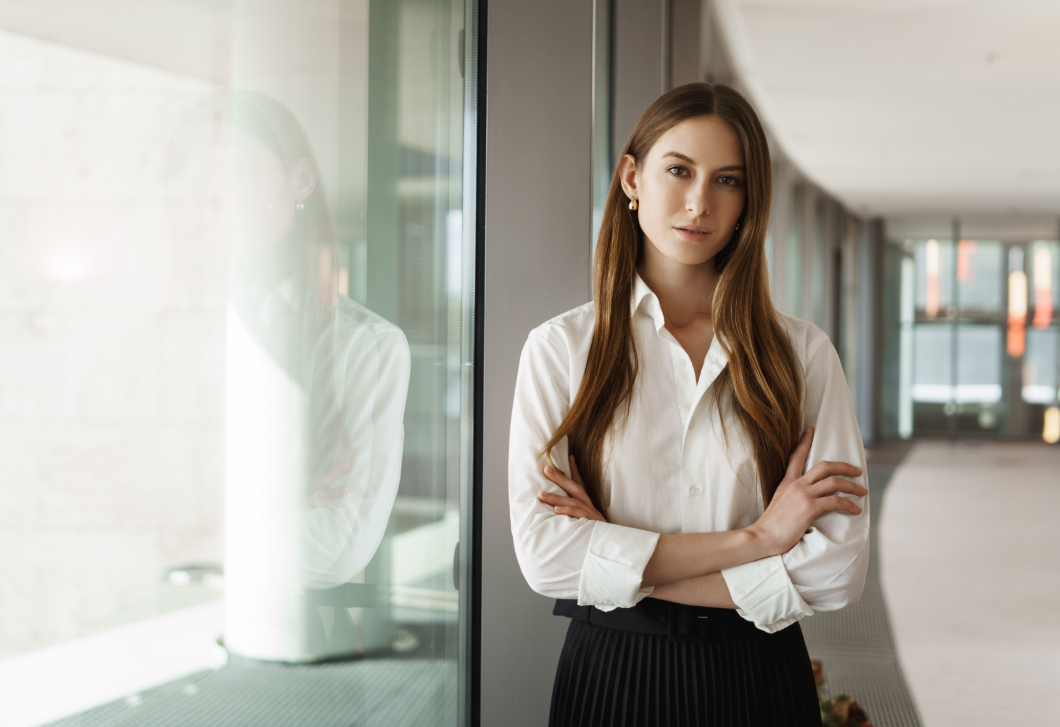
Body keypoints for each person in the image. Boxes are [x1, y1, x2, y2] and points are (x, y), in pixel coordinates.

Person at [508, 83, 869, 725]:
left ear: (747, 201)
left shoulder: (802, 354)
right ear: (631, 178)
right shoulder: (561, 349)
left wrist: (620, 563)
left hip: (759, 677)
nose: (700, 202)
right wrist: (760, 538)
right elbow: (546, 556)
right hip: (611, 675)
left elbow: (837, 569)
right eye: (679, 170)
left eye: (728, 180)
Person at [166, 92, 410, 658]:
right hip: (144, 641)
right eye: (200, 177)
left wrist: (189, 528)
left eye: (242, 170)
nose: (218, 195)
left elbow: (338, 548)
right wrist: (275, 513)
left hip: (293, 651)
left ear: (300, 181)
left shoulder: (364, 347)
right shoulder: (165, 333)